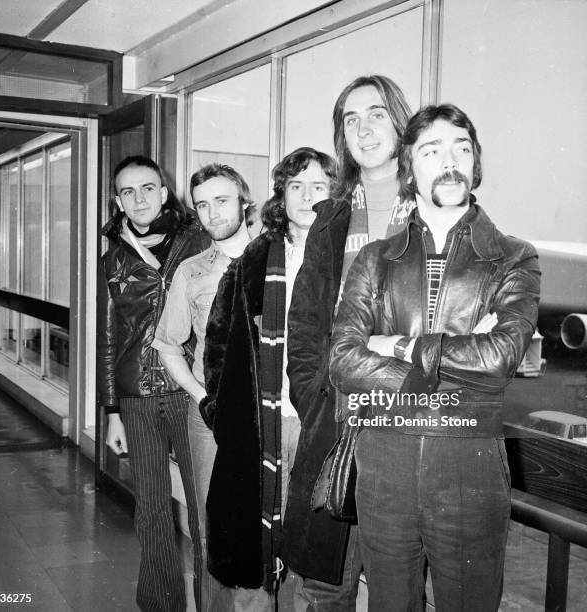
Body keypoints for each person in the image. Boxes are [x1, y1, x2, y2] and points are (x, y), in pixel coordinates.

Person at [329, 103, 541, 611]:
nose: (451, 162)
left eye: (461, 148)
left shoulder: (513, 257)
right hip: (384, 463)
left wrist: (397, 345)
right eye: (432, 150)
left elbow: (502, 356)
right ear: (409, 168)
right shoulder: (374, 260)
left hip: (469, 462)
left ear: (476, 162)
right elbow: (341, 361)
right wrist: (459, 356)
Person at [286, 75, 413, 608]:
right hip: (334, 419)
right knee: (325, 586)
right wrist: (313, 397)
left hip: (410, 422)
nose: (363, 128)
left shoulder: (437, 213)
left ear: (401, 123)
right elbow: (305, 323)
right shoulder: (331, 219)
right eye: (350, 118)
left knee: (396, 584)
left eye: (377, 113)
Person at [198, 147, 337, 609]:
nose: (307, 196)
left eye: (319, 186)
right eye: (296, 186)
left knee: (306, 554)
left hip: (324, 427)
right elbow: (218, 344)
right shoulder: (255, 261)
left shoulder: (351, 260)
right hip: (262, 427)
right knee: (254, 560)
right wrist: (222, 415)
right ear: (281, 196)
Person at [97, 155, 210, 612]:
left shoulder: (199, 240)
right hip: (138, 396)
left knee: (204, 510)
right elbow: (110, 336)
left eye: (148, 188)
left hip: (191, 392)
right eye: (128, 191)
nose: (139, 199)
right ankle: (161, 604)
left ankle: (212, 603)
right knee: (152, 510)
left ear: (164, 192)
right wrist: (111, 412)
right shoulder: (114, 257)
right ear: (118, 201)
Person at [152, 163, 254, 611]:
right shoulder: (192, 271)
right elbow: (167, 344)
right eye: (203, 204)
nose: (213, 212)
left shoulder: (278, 262)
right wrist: (202, 397)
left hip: (270, 414)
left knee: (267, 524)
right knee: (213, 526)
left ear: (244, 201)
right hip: (210, 419)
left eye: (222, 199)